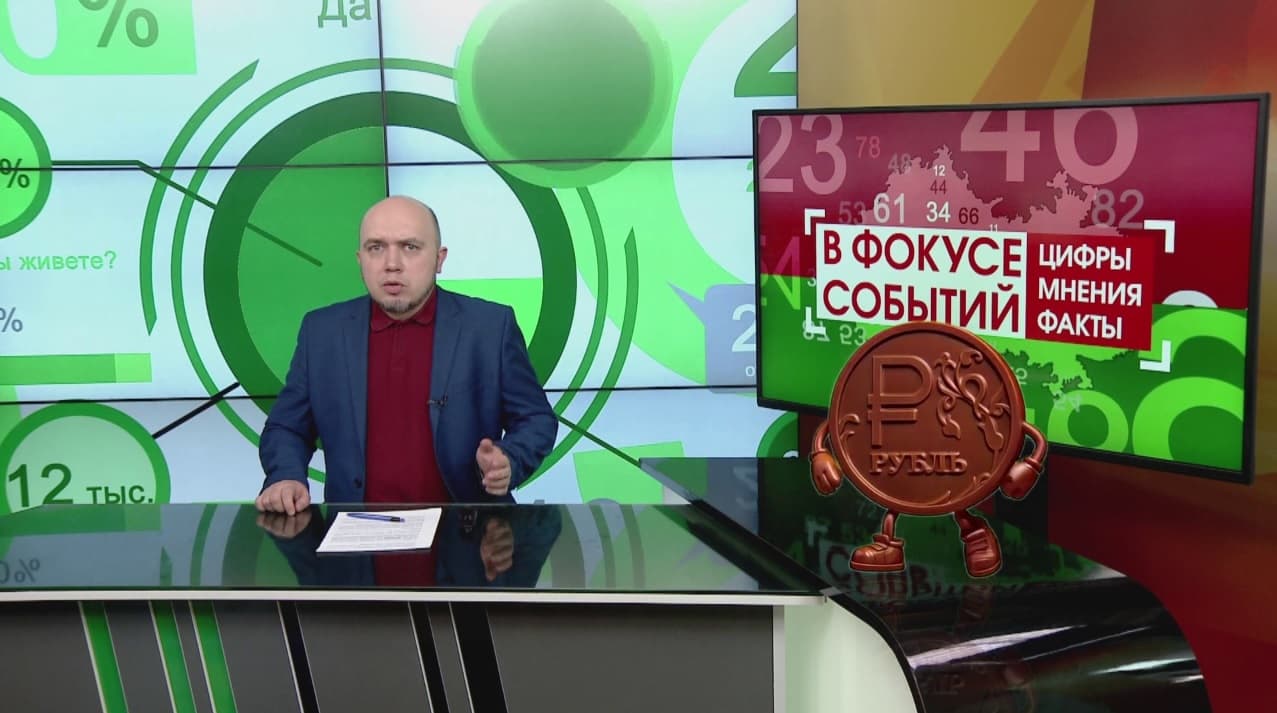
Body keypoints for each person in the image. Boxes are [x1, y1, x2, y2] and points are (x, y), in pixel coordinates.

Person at [256, 195, 558, 514]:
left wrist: (510, 459)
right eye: (376, 248)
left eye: (410, 247)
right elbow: (287, 427)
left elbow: (535, 419)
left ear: (439, 259)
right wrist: (285, 476)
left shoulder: (490, 328)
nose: (392, 264)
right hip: (356, 533)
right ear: (360, 259)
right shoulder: (322, 332)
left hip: (467, 533)